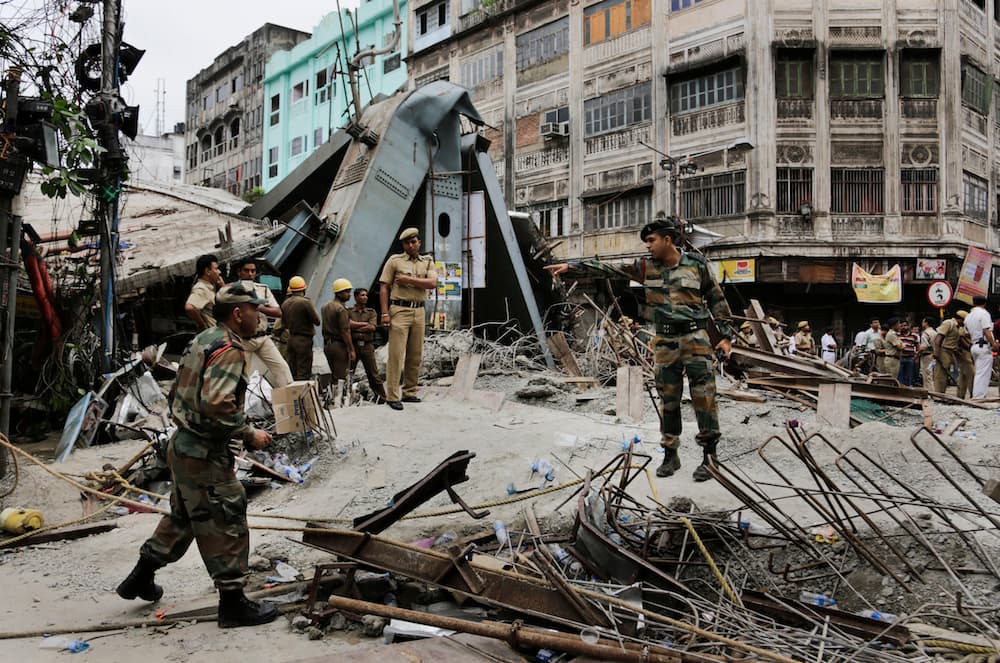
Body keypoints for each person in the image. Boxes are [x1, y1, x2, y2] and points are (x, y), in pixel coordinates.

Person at [116, 283, 277, 628]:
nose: (258, 316)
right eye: (255, 310)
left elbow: (179, 392)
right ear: (238, 314)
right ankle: (233, 603)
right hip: (204, 452)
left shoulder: (202, 339)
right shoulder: (230, 349)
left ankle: (140, 577)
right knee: (227, 516)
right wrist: (250, 434)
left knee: (186, 515)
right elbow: (218, 405)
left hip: (183, 444)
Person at [545, 215, 734, 482]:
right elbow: (606, 268)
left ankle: (710, 457)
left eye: (651, 240)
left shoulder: (696, 265)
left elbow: (717, 299)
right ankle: (671, 454)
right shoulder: (645, 267)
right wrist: (572, 266)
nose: (647, 246)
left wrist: (725, 337)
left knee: (704, 397)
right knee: (668, 400)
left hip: (696, 339)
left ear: (668, 240)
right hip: (665, 343)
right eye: (646, 241)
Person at [379, 228, 439, 411]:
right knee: (396, 354)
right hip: (399, 310)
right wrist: (384, 313)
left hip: (419, 311)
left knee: (415, 354)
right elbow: (384, 287)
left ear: (419, 243)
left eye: (414, 242)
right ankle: (392, 396)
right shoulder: (394, 261)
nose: (411, 245)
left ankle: (410, 392)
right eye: (407, 243)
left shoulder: (427, 261)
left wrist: (408, 280)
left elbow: (433, 284)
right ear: (403, 245)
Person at [234, 259, 292, 389]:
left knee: (282, 368)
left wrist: (260, 307)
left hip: (262, 337)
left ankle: (289, 398)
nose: (250, 274)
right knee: (241, 376)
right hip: (243, 339)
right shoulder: (231, 291)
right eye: (246, 270)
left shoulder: (263, 290)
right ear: (239, 272)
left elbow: (278, 312)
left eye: (253, 271)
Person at [348, 287, 387, 403]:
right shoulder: (349, 311)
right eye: (362, 295)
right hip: (353, 346)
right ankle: (345, 397)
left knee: (373, 374)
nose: (365, 297)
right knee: (349, 373)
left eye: (366, 295)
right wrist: (363, 324)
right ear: (356, 297)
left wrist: (355, 326)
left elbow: (372, 327)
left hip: (367, 346)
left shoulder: (371, 312)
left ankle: (381, 398)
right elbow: (347, 325)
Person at [321, 278, 356, 403]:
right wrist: (351, 349)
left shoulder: (325, 306)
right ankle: (337, 403)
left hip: (327, 345)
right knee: (340, 376)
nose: (349, 294)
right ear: (339, 292)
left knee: (334, 374)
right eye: (346, 291)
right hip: (338, 346)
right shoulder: (341, 309)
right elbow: (345, 331)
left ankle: (330, 400)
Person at [280, 276, 320, 381]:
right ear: (304, 289)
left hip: (291, 339)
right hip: (304, 340)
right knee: (304, 371)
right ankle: (302, 396)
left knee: (292, 370)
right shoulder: (305, 302)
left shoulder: (285, 304)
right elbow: (317, 321)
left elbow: (284, 324)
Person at [965, 295, 998, 399]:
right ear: (984, 303)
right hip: (983, 345)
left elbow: (966, 333)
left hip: (974, 345)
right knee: (983, 373)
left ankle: (977, 394)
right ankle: (979, 396)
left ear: (973, 303)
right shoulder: (984, 314)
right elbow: (986, 330)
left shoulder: (968, 316)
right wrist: (993, 344)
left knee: (979, 371)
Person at [184, 254, 223, 330]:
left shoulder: (210, 286)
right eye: (216, 269)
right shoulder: (201, 288)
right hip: (213, 336)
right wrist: (202, 326)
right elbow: (189, 308)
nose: (219, 272)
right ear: (208, 271)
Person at [932, 311, 962, 393]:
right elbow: (939, 338)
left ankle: (942, 393)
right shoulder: (949, 323)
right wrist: (936, 352)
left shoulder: (958, 326)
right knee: (940, 374)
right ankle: (938, 393)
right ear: (960, 319)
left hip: (950, 352)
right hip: (943, 350)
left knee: (945, 374)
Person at [955, 311, 975, 399]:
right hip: (965, 353)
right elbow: (961, 339)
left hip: (966, 352)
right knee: (971, 374)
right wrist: (969, 347)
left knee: (963, 376)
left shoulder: (966, 327)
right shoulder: (962, 329)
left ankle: (960, 395)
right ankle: (973, 394)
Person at [918, 316, 938, 388]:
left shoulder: (925, 333)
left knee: (927, 375)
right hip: (934, 356)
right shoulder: (935, 332)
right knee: (932, 375)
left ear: (926, 323)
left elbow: (924, 346)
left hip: (927, 357)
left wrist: (917, 354)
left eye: (923, 322)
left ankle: (929, 392)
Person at [897, 319, 919, 386]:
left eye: (905, 325)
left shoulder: (914, 336)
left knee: (909, 375)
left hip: (910, 358)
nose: (904, 327)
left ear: (908, 326)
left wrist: (916, 356)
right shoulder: (897, 335)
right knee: (900, 375)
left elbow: (917, 346)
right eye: (902, 326)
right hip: (900, 357)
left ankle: (908, 388)